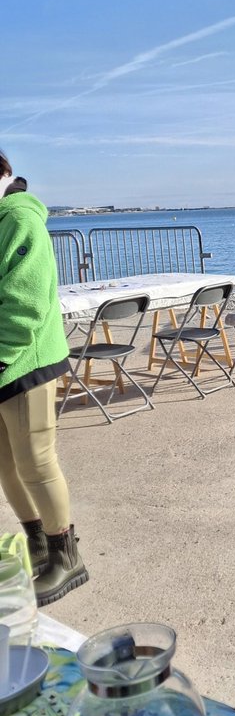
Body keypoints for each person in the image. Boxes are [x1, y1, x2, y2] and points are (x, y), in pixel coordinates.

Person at [0, 152, 88, 605]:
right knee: (5, 464)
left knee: (35, 461)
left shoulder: (20, 218)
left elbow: (26, 304)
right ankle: (37, 545)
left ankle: (66, 556)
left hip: (25, 361)